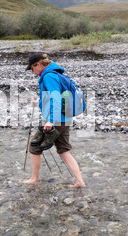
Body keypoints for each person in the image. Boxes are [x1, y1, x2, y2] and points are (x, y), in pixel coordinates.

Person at [23, 52, 86, 188]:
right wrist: (39, 101)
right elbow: (55, 96)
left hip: (54, 120)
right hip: (64, 118)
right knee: (64, 150)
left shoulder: (48, 76)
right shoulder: (57, 73)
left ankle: (34, 179)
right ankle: (80, 182)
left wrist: (51, 120)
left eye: (32, 68)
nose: (32, 71)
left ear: (38, 64)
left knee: (34, 147)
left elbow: (56, 98)